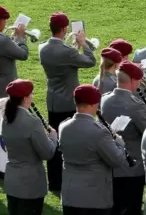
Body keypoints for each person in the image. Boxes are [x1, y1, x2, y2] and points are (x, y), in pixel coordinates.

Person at [38, 12, 97, 192]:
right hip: (68, 102)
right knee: (68, 142)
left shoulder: (43, 48)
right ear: (65, 29)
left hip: (52, 100)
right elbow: (90, 61)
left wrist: (72, 47)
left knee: (53, 139)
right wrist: (83, 43)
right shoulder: (67, 52)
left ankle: (54, 182)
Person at [58, 84, 131, 214]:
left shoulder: (63, 126)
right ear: (93, 104)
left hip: (70, 195)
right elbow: (116, 160)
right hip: (94, 198)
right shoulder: (100, 132)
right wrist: (120, 144)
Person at [100, 61, 146, 215]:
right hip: (131, 167)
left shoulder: (105, 99)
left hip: (109, 164)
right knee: (131, 208)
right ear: (132, 81)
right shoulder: (135, 105)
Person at [2, 79, 58, 215]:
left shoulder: (6, 119)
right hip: (30, 186)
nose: (32, 97)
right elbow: (47, 153)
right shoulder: (32, 122)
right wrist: (53, 137)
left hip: (12, 183)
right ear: (26, 98)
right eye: (31, 94)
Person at [0, 6, 29, 95]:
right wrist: (20, 37)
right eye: (4, 20)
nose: (5, 23)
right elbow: (23, 55)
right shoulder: (4, 41)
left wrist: (12, 40)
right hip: (4, 90)